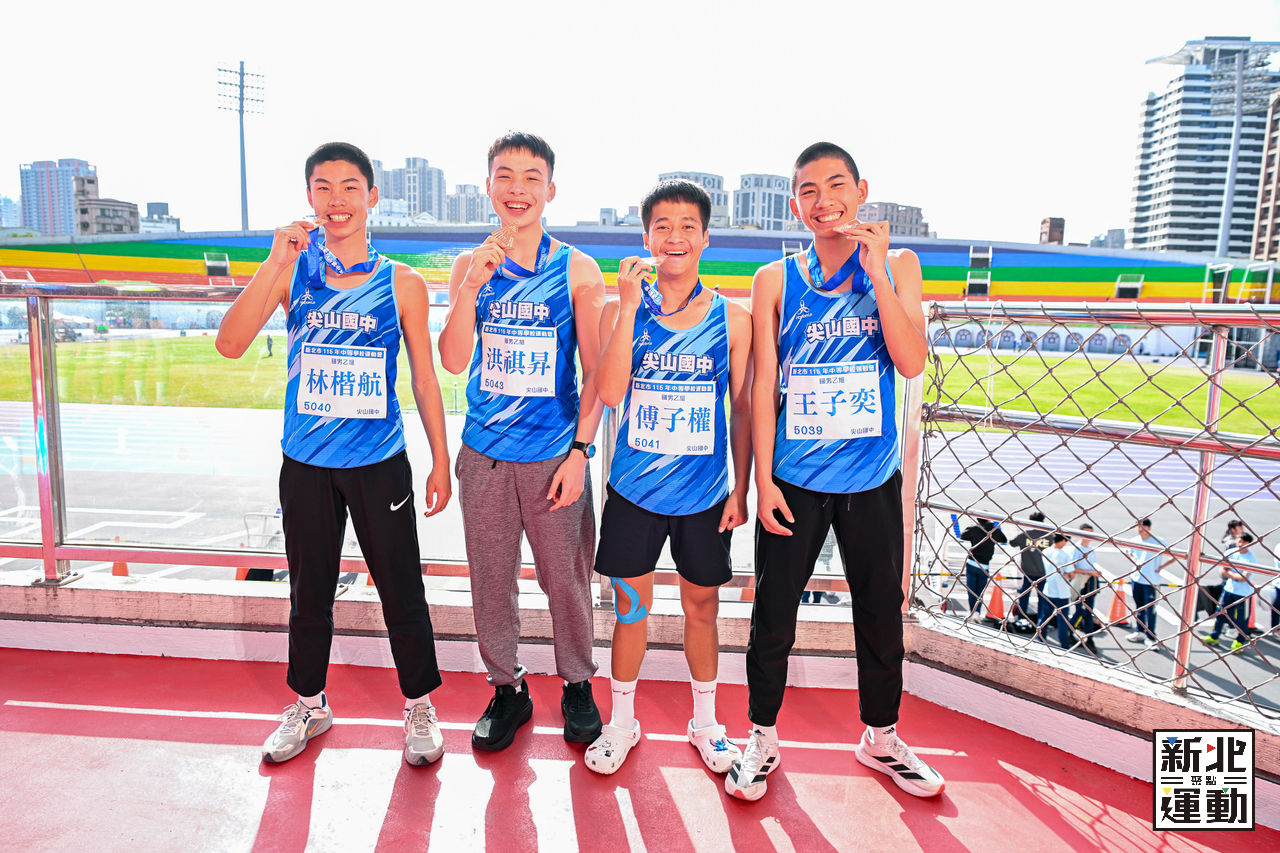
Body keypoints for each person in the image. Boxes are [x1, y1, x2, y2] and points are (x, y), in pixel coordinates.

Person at [216, 142, 453, 766]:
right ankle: (309, 703)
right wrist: (275, 260)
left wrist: (440, 459)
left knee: (401, 587)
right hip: (307, 462)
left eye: (350, 187)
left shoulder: (401, 282)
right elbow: (230, 344)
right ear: (309, 197)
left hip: (379, 462)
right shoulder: (292, 271)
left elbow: (424, 378)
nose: (337, 200)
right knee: (309, 591)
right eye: (323, 187)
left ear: (372, 197)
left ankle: (419, 705)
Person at [726, 142, 943, 802]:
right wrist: (763, 482)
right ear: (795, 204)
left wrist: (877, 274)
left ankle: (882, 736)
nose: (825, 201)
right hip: (795, 477)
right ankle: (761, 736)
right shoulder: (774, 280)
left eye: (836, 185)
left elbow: (911, 362)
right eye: (809, 190)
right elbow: (762, 386)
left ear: (861, 190)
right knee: (774, 614)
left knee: (880, 611)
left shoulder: (899, 265)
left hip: (871, 477)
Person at [438, 132, 606, 751]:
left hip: (553, 456)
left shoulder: (577, 269)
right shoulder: (469, 265)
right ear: (488, 187)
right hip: (484, 453)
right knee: (491, 579)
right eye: (505, 177)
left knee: (566, 578)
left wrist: (580, 453)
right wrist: (471, 288)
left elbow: (596, 374)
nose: (517, 189)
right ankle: (507, 688)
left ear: (550, 190)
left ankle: (577, 683)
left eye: (531, 178)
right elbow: (453, 359)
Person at [582, 180, 753, 776]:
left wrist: (741, 488)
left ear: (704, 238)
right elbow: (609, 394)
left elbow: (741, 408)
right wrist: (630, 307)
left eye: (687, 227)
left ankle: (705, 722)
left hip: (704, 495)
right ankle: (621, 722)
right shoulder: (620, 311)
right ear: (647, 237)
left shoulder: (733, 318)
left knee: (702, 606)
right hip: (635, 491)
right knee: (630, 607)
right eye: (662, 226)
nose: (674, 237)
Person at [1200, 533, 1259, 653]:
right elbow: (1222, 570)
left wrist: (1231, 574)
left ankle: (1239, 642)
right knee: (1220, 614)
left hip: (1244, 594)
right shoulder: (1230, 552)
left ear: (1248, 543)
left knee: (1242, 619)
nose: (1240, 544)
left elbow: (1244, 578)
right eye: (1238, 541)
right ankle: (1214, 636)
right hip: (1229, 590)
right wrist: (1235, 576)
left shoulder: (1251, 559)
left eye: (1243, 542)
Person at [1125, 518, 1177, 649]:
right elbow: (1128, 551)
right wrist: (1133, 559)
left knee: (1151, 610)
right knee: (1139, 607)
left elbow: (1173, 555)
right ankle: (1140, 631)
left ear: (1149, 528)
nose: (1140, 529)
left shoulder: (1158, 541)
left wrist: (1161, 567)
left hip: (1152, 582)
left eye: (1142, 526)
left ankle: (1151, 637)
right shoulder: (1134, 540)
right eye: (1138, 526)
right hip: (1136, 579)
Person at [954, 515, 1007, 618]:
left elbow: (962, 536)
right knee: (980, 591)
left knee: (971, 590)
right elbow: (1004, 539)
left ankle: (972, 611)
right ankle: (977, 611)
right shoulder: (994, 531)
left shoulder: (974, 529)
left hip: (972, 562)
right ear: (989, 519)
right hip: (985, 565)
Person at [1009, 511, 1051, 631]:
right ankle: (1041, 621)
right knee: (1042, 598)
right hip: (1043, 572)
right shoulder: (1048, 536)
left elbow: (1012, 543)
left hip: (1027, 572)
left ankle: (1022, 618)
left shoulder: (1025, 534)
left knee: (1024, 596)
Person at [1039, 534, 1081, 649]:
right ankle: (1064, 644)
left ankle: (1040, 640)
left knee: (1044, 617)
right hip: (1062, 592)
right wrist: (1068, 574)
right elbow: (1071, 574)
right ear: (1062, 541)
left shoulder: (1046, 551)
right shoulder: (1065, 555)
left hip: (1048, 589)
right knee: (1062, 620)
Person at [1069, 523, 1104, 653]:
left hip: (1090, 583)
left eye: (1091, 532)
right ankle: (1069, 631)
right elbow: (1072, 568)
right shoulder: (1076, 549)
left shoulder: (1091, 549)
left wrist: (1094, 572)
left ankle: (1090, 639)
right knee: (1081, 610)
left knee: (1089, 612)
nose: (1089, 535)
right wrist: (1090, 572)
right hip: (1080, 583)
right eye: (1086, 532)